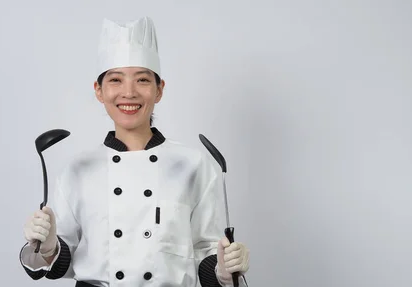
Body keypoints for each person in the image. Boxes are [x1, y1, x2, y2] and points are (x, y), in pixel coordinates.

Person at [19, 16, 250, 287]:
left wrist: (224, 269)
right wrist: (47, 248)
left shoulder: (193, 165)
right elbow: (63, 260)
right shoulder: (77, 169)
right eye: (115, 80)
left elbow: (206, 254)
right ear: (99, 91)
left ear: (159, 89)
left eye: (142, 80)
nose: (128, 93)